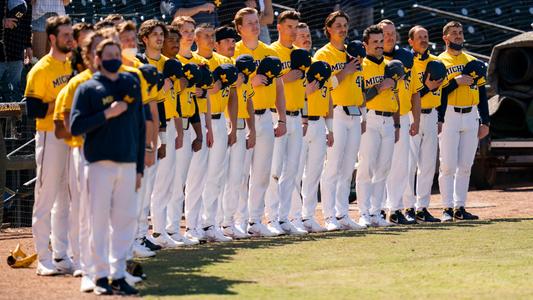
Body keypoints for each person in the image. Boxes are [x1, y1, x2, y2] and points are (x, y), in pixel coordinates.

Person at [70, 38, 144, 295]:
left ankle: (118, 274)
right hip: (98, 163)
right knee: (97, 221)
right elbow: (76, 126)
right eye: (108, 53)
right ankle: (99, 275)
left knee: (124, 221)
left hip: (126, 163)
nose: (113, 57)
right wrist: (107, 114)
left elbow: (140, 126)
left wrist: (139, 168)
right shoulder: (88, 88)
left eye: (116, 52)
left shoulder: (131, 83)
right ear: (98, 59)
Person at [52, 29, 101, 292]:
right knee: (82, 206)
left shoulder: (120, 80)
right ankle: (82, 260)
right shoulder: (76, 83)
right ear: (85, 55)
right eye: (92, 50)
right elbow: (60, 125)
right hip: (83, 150)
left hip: (113, 152)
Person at [24, 15, 73, 276]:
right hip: (50, 135)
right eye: (66, 35)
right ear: (52, 38)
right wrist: (63, 101)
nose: (70, 39)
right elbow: (33, 109)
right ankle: (43, 257)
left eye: (71, 34)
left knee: (66, 198)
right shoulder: (40, 70)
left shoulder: (74, 67)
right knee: (46, 197)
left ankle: (62, 254)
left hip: (72, 136)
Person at [233, 7, 287, 237]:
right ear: (239, 28)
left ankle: (256, 220)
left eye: (257, 21)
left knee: (263, 172)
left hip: (266, 117)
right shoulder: (233, 51)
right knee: (240, 173)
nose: (256, 26)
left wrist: (282, 118)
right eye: (250, 23)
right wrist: (250, 81)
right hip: (243, 119)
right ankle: (237, 220)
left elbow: (279, 86)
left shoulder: (268, 51)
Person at [315, 11, 364, 231]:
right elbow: (323, 87)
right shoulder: (323, 54)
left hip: (354, 114)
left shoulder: (353, 53)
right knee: (333, 168)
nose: (342, 29)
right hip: (334, 114)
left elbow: (359, 85)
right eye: (338, 26)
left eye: (345, 25)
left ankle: (342, 214)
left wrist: (362, 111)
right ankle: (329, 216)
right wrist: (344, 72)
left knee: (347, 170)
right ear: (328, 29)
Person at [437, 21, 488, 221]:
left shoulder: (472, 60)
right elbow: (437, 92)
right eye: (454, 33)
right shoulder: (439, 61)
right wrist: (455, 82)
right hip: (449, 114)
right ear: (445, 38)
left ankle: (460, 206)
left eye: (460, 32)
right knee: (448, 165)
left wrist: (486, 121)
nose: (458, 36)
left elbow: (482, 93)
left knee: (466, 165)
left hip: (471, 115)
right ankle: (447, 208)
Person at [195, 23, 237, 242]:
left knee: (216, 176)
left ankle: (210, 223)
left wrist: (233, 124)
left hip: (221, 121)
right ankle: (193, 226)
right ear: (196, 39)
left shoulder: (226, 62)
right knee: (197, 176)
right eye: (207, 36)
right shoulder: (194, 61)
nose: (211, 40)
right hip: (200, 121)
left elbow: (232, 95)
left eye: (212, 36)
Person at [267, 10, 307, 235]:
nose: (293, 31)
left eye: (296, 27)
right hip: (275, 115)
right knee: (275, 171)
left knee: (292, 170)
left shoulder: (300, 54)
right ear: (279, 28)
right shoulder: (271, 51)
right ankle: (271, 218)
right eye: (289, 27)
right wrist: (285, 77)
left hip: (296, 116)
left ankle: (285, 217)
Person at [379, 19, 422, 225]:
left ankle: (394, 210)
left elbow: (415, 92)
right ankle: (375, 209)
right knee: (378, 166)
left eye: (392, 33)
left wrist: (416, 120)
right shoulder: (370, 59)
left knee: (401, 167)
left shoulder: (407, 59)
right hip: (378, 117)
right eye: (385, 33)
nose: (389, 36)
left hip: (403, 117)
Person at [215, 26, 256, 239]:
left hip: (238, 126)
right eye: (227, 41)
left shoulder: (239, 68)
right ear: (217, 44)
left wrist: (252, 129)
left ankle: (229, 222)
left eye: (233, 40)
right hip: (218, 124)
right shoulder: (215, 64)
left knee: (237, 178)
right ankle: (214, 222)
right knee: (217, 178)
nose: (232, 44)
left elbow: (247, 100)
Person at [356, 24, 399, 227]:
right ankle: (364, 212)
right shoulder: (361, 66)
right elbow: (359, 97)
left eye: (381, 41)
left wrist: (398, 124)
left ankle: (376, 213)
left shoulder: (390, 65)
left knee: (383, 168)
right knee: (366, 168)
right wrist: (381, 86)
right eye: (374, 42)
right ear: (365, 44)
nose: (379, 45)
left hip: (389, 120)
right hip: (369, 119)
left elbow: (396, 97)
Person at [166, 16, 204, 242]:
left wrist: (200, 130)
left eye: (191, 31)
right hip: (173, 123)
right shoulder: (172, 61)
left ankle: (190, 227)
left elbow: (196, 99)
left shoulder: (198, 60)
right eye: (184, 31)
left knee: (191, 180)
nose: (188, 35)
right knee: (174, 181)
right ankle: (170, 229)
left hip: (190, 122)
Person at [405, 25, 446, 223]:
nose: (423, 40)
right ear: (410, 41)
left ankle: (422, 208)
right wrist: (427, 88)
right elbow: (410, 95)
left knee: (428, 165)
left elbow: (443, 93)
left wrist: (441, 118)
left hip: (432, 116)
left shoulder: (437, 62)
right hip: (413, 116)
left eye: (426, 36)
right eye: (419, 37)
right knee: (410, 165)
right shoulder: (407, 63)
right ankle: (407, 207)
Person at [289, 21, 313, 232]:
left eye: (308, 35)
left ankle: (306, 216)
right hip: (296, 119)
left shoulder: (313, 62)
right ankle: (293, 216)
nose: (306, 38)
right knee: (293, 172)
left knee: (311, 173)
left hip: (312, 120)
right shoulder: (291, 61)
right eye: (301, 34)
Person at [0, 0, 31, 102]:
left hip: (16, 50)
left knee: (15, 93)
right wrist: (2, 22)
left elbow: (26, 24)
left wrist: (28, 46)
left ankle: (14, 118)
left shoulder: (25, 2)